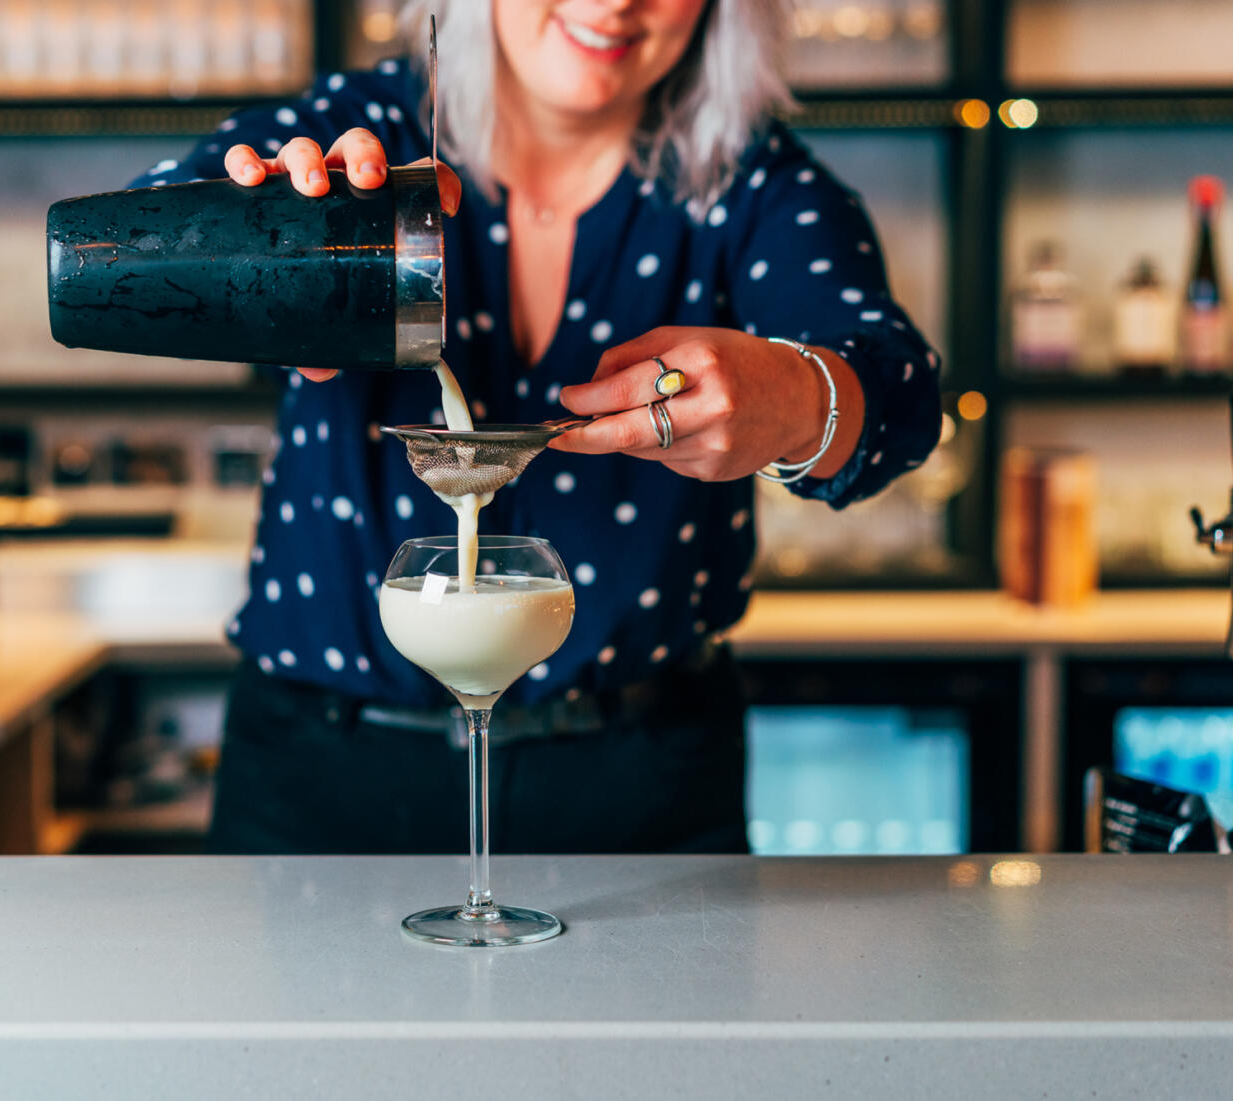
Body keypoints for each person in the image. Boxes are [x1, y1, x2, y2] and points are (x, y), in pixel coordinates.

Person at [132, 0, 940, 855]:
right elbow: (150, 242)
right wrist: (265, 243)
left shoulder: (750, 183)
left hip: (638, 782)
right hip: (320, 772)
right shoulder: (361, 131)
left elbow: (900, 391)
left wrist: (797, 397)